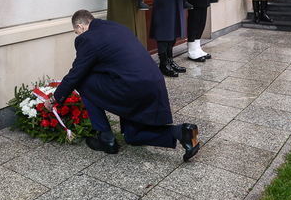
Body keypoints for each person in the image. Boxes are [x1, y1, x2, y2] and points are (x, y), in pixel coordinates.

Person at [44, 10, 200, 161]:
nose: (78, 35)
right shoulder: (116, 27)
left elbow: (75, 75)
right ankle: (182, 132)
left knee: (83, 81)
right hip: (153, 84)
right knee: (133, 137)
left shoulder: (88, 38)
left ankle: (106, 138)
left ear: (80, 27)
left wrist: (53, 99)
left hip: (131, 88)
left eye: (76, 32)